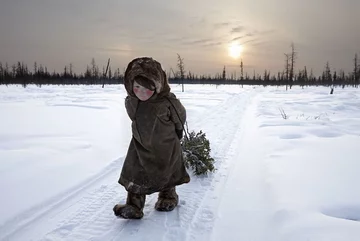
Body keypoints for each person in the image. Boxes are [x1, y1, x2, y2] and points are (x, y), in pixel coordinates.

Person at [113, 57, 190, 219]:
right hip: (140, 146)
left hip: (165, 145)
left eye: (147, 88)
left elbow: (180, 117)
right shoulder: (132, 101)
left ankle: (168, 197)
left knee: (166, 172)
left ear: (157, 85)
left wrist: (177, 133)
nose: (141, 92)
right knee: (136, 174)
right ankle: (134, 206)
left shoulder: (168, 101)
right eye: (137, 87)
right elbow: (134, 118)